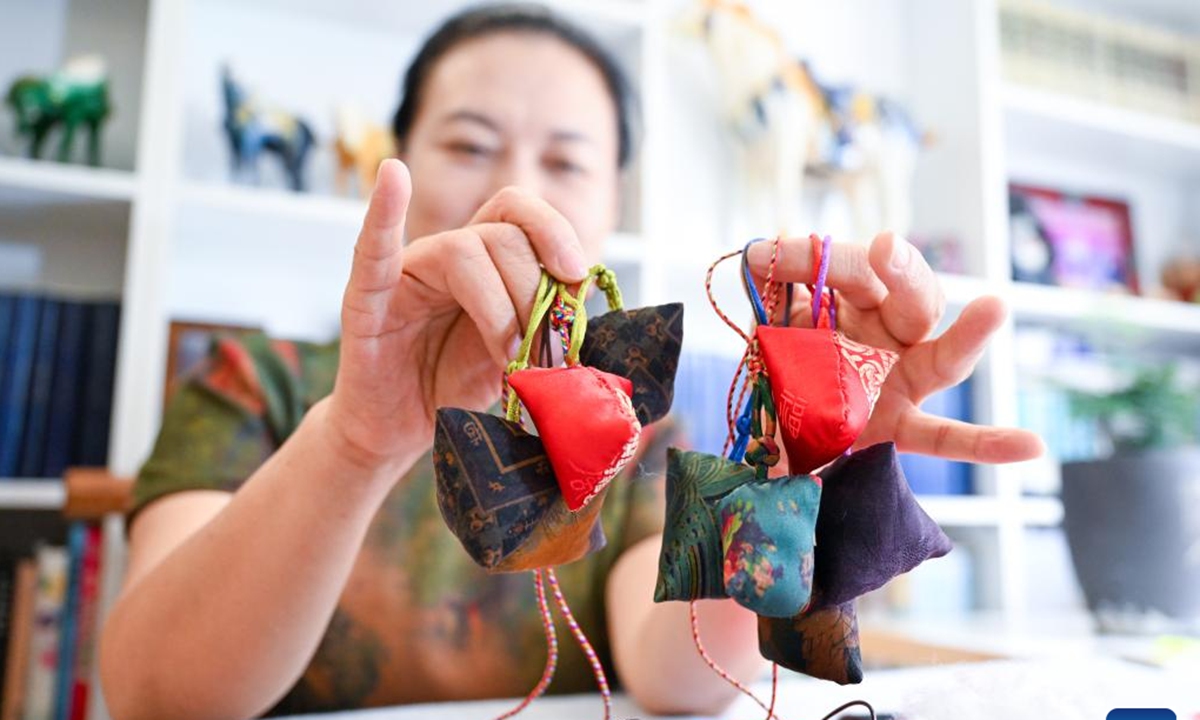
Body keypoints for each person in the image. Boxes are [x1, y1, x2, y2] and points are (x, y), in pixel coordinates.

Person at [98, 5, 1044, 719]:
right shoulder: (250, 383)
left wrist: (796, 455)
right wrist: (357, 438)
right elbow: (152, 692)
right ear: (399, 161)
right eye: (469, 143)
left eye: (566, 160)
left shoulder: (632, 416)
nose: (514, 187)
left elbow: (674, 677)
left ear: (612, 202)